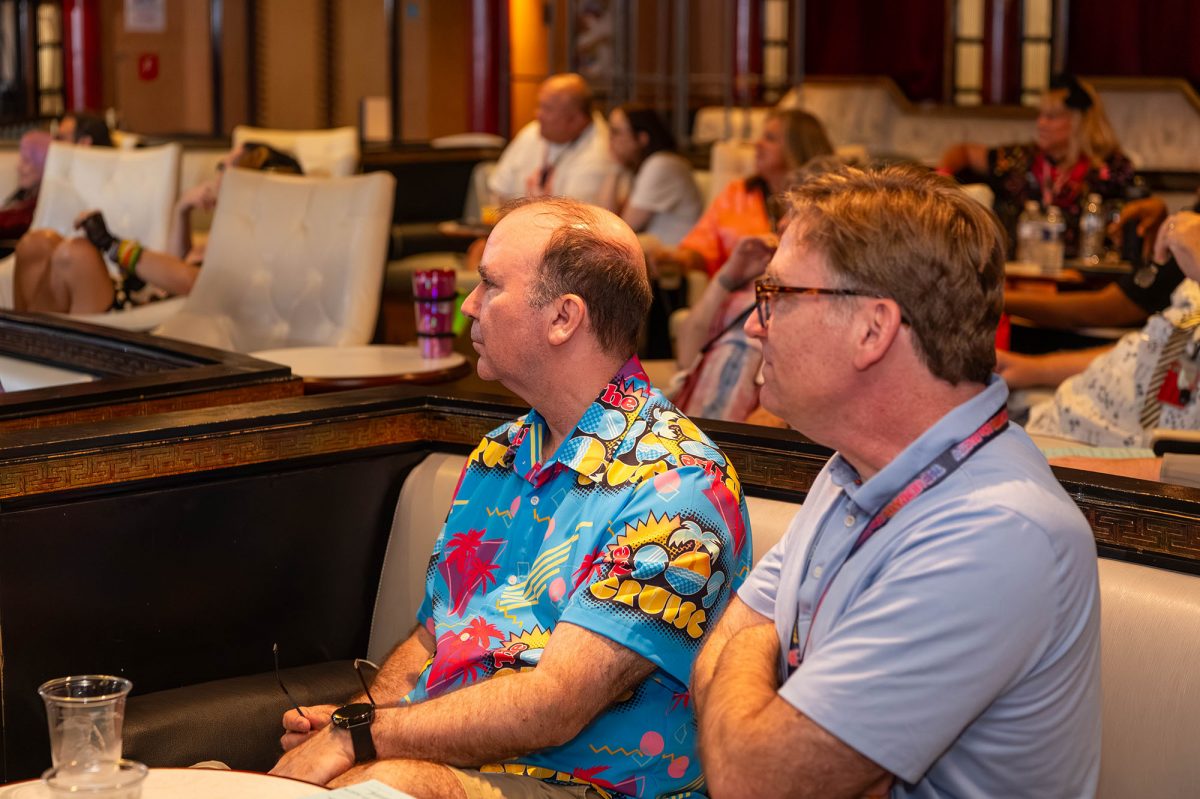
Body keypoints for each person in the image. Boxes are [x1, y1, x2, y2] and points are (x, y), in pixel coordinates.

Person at [270, 197, 752, 796]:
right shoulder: (501, 452)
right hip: (458, 762)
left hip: (585, 784)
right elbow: (433, 636)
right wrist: (357, 718)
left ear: (563, 317)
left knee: (389, 784)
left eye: (490, 285)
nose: (468, 305)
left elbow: (555, 705)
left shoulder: (679, 485)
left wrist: (361, 740)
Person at [691, 164, 1100, 797]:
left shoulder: (995, 532)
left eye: (776, 295)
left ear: (873, 329)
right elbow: (711, 671)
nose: (753, 323)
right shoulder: (855, 466)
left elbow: (753, 780)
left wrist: (755, 649)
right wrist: (758, 673)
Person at [12, 142, 301, 314]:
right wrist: (181, 209)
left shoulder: (247, 245)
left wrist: (111, 244)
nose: (217, 174)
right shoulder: (217, 238)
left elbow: (191, 283)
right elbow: (175, 268)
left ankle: (31, 359)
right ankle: (23, 360)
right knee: (36, 244)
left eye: (224, 167)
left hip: (142, 323)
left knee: (75, 253)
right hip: (142, 299)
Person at [1024, 210, 1200, 449]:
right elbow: (1150, 350)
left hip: (1109, 452)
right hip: (1065, 416)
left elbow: (1110, 309)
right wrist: (1031, 369)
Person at [939, 73, 1135, 258]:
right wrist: (941, 179)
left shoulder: (1111, 168)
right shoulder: (1021, 159)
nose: (1041, 123)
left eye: (1051, 117)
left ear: (1079, 121)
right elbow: (962, 152)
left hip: (1087, 273)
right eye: (1040, 115)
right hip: (1020, 270)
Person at [658, 108, 834, 279]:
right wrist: (677, 259)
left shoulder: (826, 200)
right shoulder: (738, 193)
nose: (757, 144)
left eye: (770, 138)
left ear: (797, 147)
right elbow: (702, 248)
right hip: (736, 292)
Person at [487, 73, 620, 206]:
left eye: (547, 109)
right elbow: (498, 190)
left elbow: (574, 213)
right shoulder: (533, 131)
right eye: (539, 105)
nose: (538, 115)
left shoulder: (601, 151)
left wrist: (538, 206)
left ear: (576, 120)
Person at [603, 104, 702, 247]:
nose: (610, 139)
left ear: (642, 138)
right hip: (654, 249)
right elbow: (606, 218)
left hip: (673, 253)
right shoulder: (643, 166)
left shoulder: (661, 165)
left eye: (616, 132)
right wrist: (615, 167)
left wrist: (614, 167)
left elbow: (618, 230)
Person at [0, 130, 51, 240]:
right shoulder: (25, 194)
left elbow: (11, 224)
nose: (18, 167)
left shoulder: (43, 205)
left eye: (26, 160)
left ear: (44, 164)